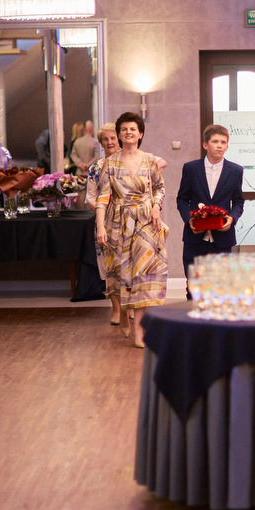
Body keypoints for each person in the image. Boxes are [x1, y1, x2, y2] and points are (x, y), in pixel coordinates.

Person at [94, 111, 168, 348]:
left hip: (146, 222)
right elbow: (102, 197)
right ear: (118, 134)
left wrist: (156, 207)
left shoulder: (149, 160)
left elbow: (159, 188)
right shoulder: (110, 163)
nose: (128, 132)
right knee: (122, 275)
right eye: (124, 129)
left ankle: (140, 330)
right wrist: (100, 227)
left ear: (140, 134)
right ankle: (124, 313)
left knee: (144, 275)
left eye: (132, 129)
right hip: (118, 223)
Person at [176, 124, 245, 298]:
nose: (219, 145)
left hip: (222, 238)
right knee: (194, 288)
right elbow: (182, 199)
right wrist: (189, 220)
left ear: (227, 146)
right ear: (205, 144)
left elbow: (238, 201)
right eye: (215, 141)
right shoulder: (191, 168)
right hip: (195, 238)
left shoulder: (236, 171)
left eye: (223, 142)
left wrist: (232, 218)